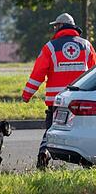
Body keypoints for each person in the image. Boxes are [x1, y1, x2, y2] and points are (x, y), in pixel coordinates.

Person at [22, 13, 96, 169]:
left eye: (56, 26)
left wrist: (27, 94)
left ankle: (44, 153)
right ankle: (86, 163)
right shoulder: (87, 46)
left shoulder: (50, 47)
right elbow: (93, 72)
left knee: (52, 130)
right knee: (80, 132)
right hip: (79, 99)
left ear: (62, 26)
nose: (54, 29)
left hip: (57, 101)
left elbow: (38, 74)